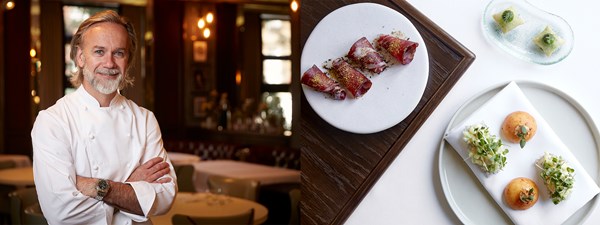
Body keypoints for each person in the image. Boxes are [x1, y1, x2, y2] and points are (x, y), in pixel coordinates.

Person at [31, 10, 176, 224]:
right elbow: (63, 214)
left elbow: (164, 197)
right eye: (99, 51)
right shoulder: (53, 121)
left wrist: (96, 187)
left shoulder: (145, 119)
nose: (109, 63)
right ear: (80, 58)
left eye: (119, 53)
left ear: (128, 60)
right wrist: (130, 187)